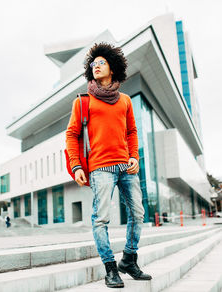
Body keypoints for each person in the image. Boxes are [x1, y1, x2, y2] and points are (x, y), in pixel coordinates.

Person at [66, 42, 152, 288]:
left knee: (138, 213)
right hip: (100, 167)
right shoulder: (82, 102)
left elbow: (132, 131)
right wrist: (77, 166)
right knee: (101, 218)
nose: (96, 67)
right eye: (93, 64)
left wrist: (134, 155)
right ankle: (110, 267)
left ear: (112, 68)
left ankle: (129, 260)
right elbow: (72, 135)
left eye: (101, 63)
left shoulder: (125, 100)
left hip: (126, 166)